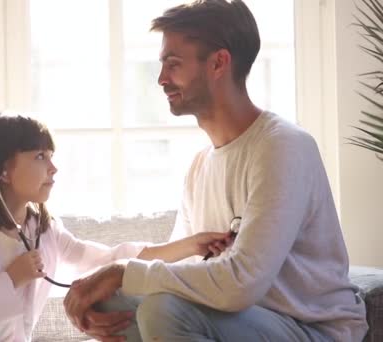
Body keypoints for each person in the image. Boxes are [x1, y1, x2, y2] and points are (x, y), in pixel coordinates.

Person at [63, 1, 369, 341]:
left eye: (173, 65)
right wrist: (100, 287)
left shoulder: (283, 146)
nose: (162, 79)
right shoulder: (200, 166)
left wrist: (123, 271)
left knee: (162, 310)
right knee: (107, 306)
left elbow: (240, 283)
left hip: (310, 330)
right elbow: (186, 275)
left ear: (219, 63)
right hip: (236, 321)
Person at [0, 112, 234, 342]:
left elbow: (109, 259)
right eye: (40, 157)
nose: (54, 167)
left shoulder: (44, 232)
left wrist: (191, 245)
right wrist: (12, 278)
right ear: (3, 169)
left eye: (51, 156)